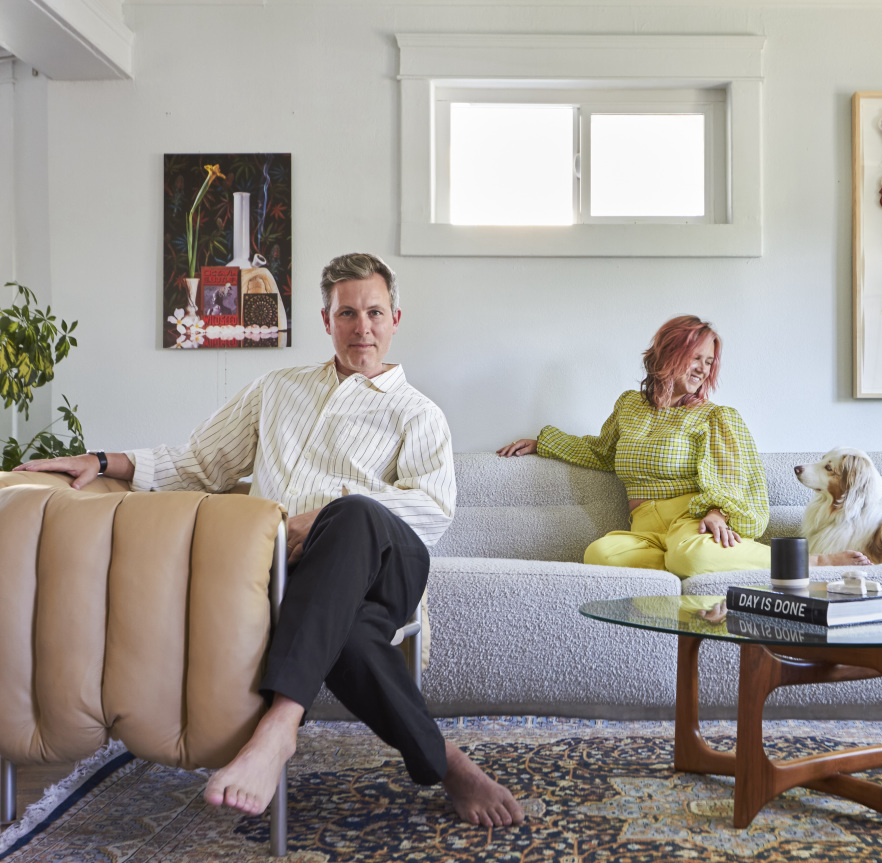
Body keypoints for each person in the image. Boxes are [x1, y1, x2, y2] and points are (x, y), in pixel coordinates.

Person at [15, 252, 524, 828]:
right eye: (348, 313)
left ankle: (278, 729)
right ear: (326, 320)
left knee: (353, 512)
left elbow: (433, 509)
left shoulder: (418, 413)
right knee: (351, 641)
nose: (363, 328)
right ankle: (448, 762)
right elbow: (201, 462)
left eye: (375, 313)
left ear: (396, 318)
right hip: (288, 569)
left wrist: (325, 514)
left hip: (384, 563)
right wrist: (107, 459)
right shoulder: (276, 390)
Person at [497, 315, 868, 576]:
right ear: (670, 353)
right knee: (600, 553)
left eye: (710, 362)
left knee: (690, 556)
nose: (704, 369)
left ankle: (815, 564)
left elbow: (731, 477)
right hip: (643, 528)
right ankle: (691, 562)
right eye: (696, 358)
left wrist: (718, 513)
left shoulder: (714, 417)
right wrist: (544, 442)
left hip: (689, 520)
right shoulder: (629, 405)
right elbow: (602, 452)